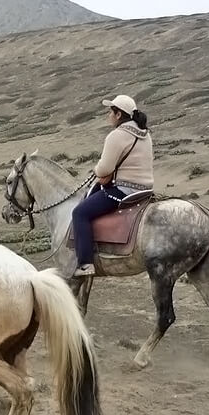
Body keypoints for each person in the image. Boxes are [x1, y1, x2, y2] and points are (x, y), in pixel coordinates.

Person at [71, 94, 153, 278]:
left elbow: (104, 169)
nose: (108, 114)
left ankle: (85, 264)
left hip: (124, 190)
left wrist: (96, 169)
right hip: (146, 190)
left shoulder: (116, 136)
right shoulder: (146, 134)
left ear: (118, 115)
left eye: (111, 111)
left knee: (80, 213)